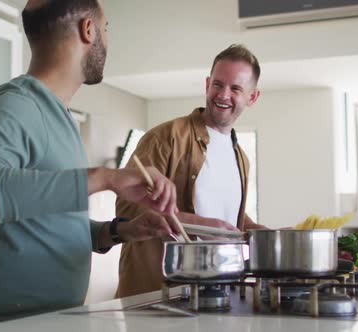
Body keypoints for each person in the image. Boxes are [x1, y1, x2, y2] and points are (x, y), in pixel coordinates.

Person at [0, 0, 181, 329]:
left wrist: (119, 230)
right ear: (89, 30)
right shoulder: (17, 103)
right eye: (106, 29)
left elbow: (45, 226)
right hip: (3, 324)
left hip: (51, 321)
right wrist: (105, 177)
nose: (106, 39)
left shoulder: (61, 119)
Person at [115, 44, 268, 298]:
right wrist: (203, 225)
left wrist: (259, 231)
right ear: (207, 84)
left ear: (252, 97)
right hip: (157, 295)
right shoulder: (164, 137)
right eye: (218, 84)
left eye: (236, 88)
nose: (223, 95)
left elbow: (226, 217)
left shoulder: (241, 157)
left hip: (215, 294)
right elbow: (127, 208)